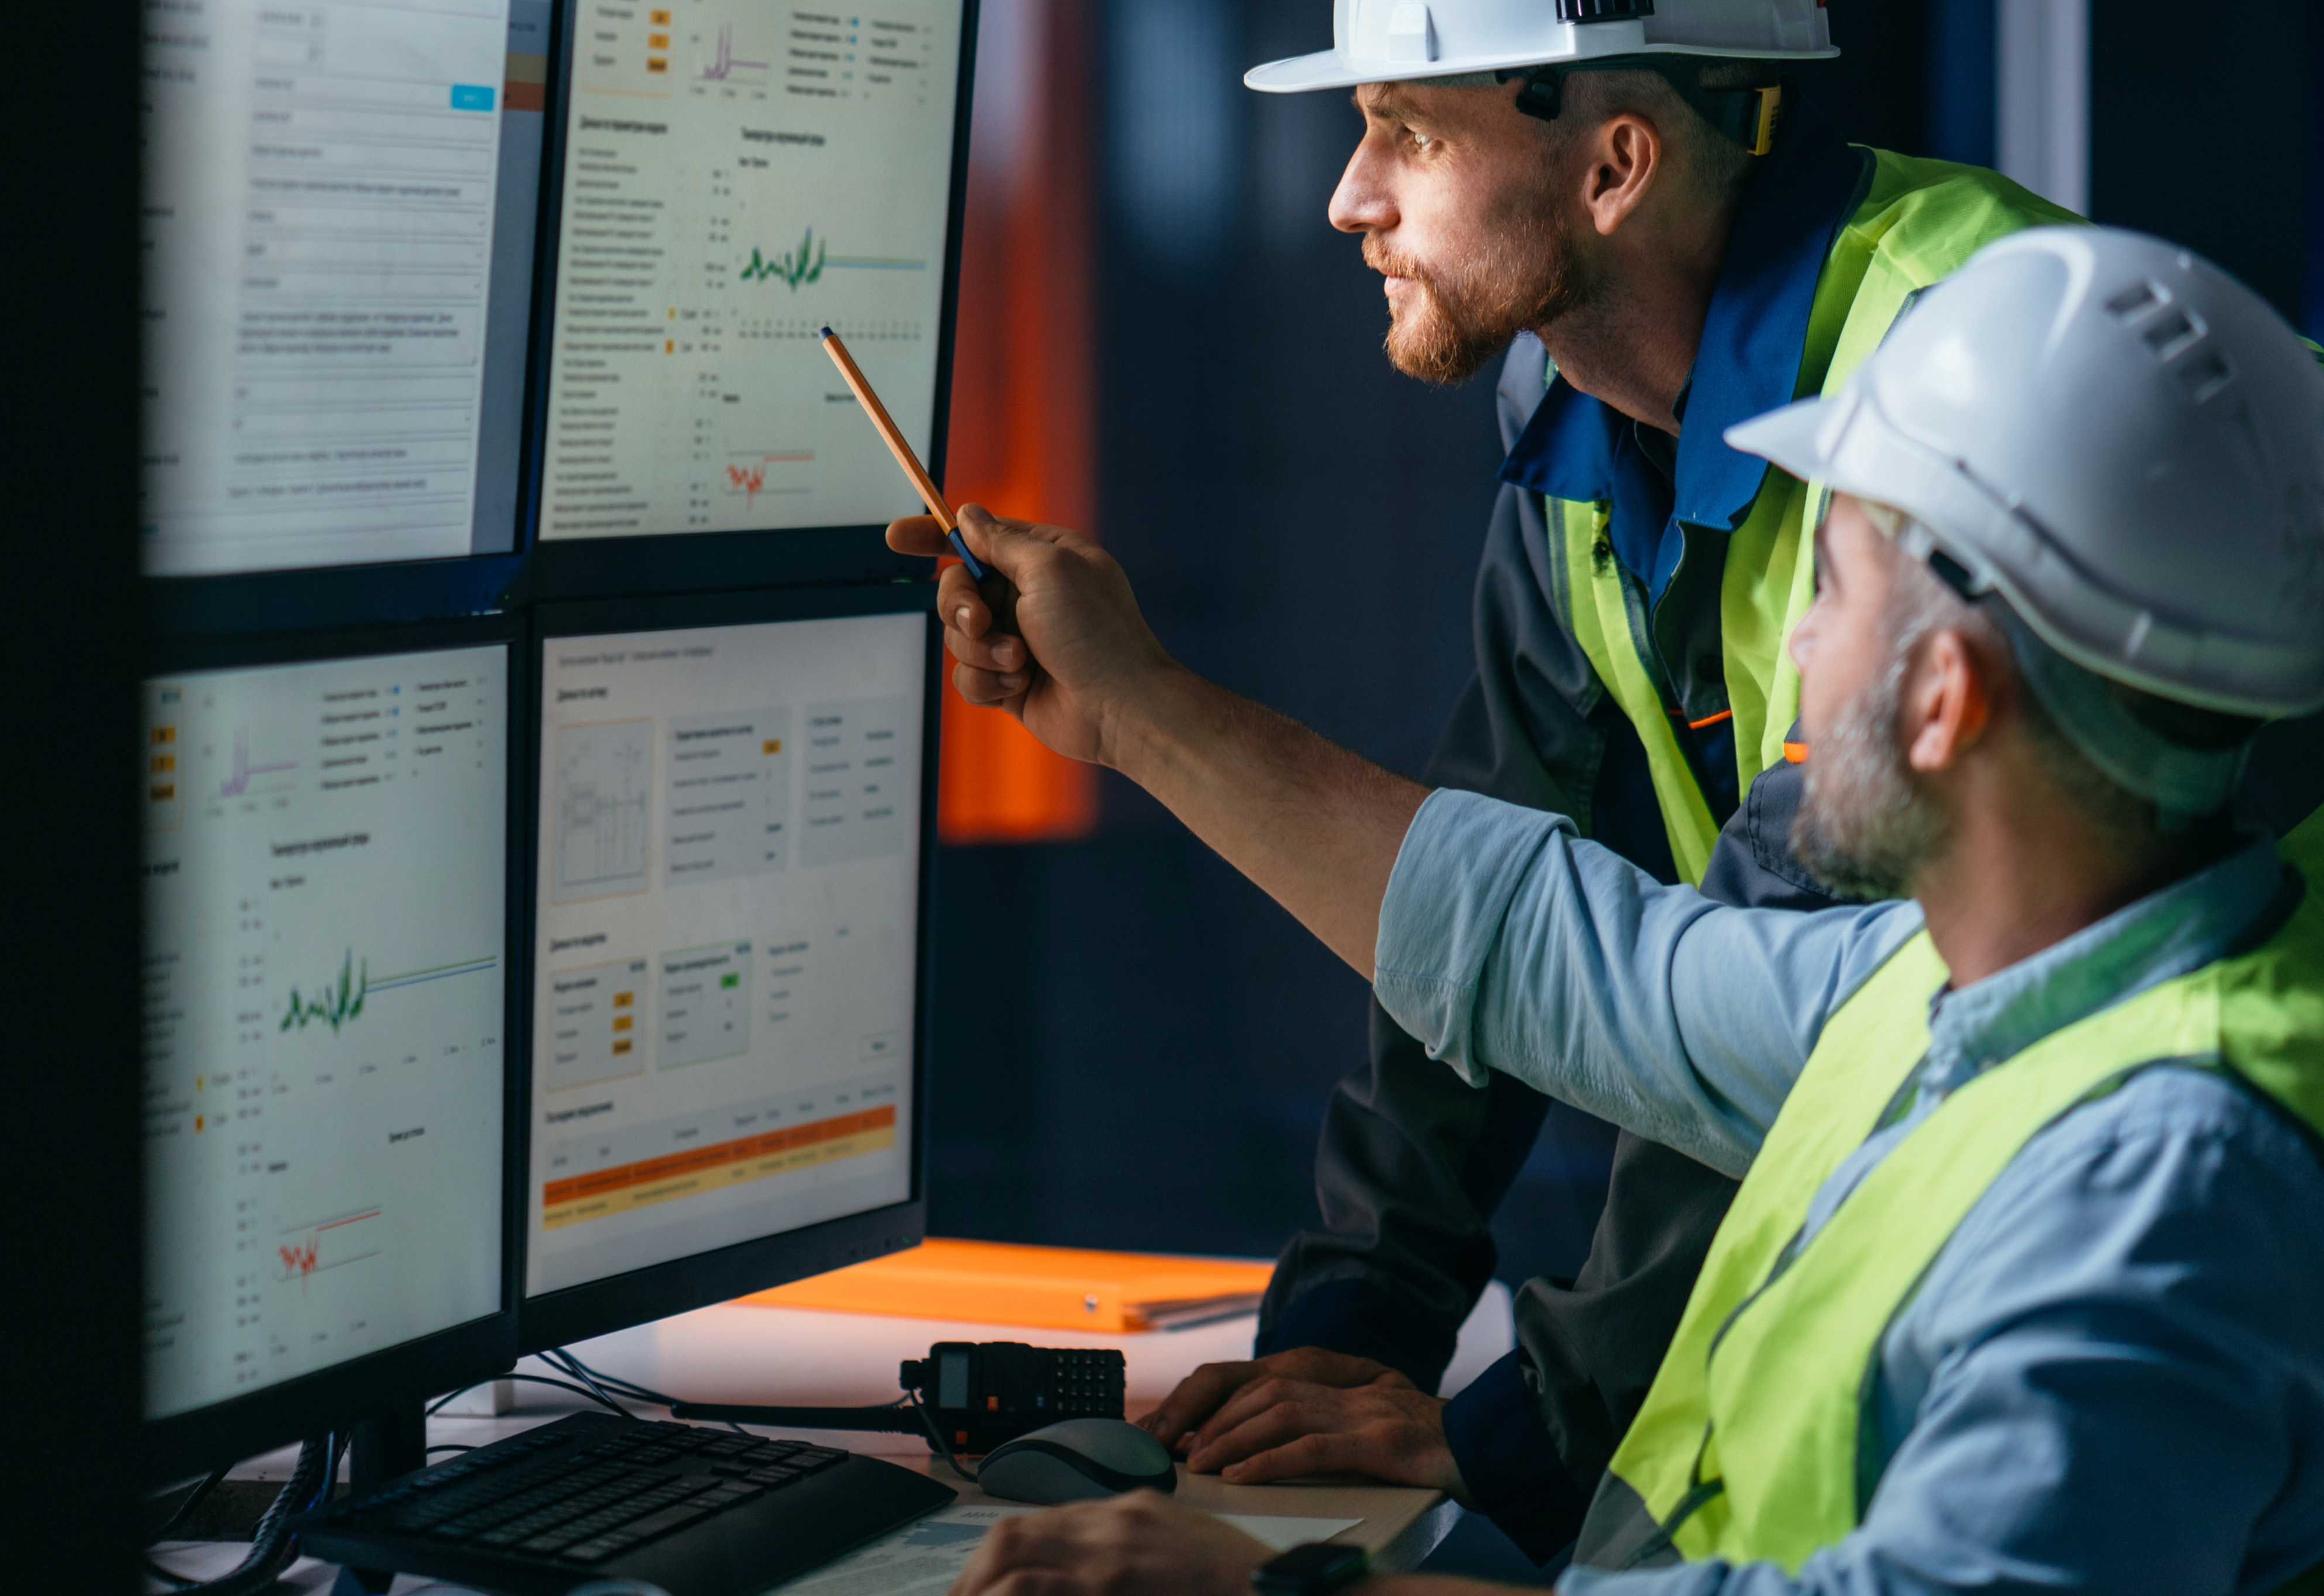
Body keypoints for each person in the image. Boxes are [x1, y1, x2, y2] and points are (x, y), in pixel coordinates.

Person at [924, 223, 2324, 1596]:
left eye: (1826, 587)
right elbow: (1561, 954)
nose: (1790, 643)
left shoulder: (2167, 1182)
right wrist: (1132, 709)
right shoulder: (1956, 983)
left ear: (1943, 698)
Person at [1100, 0, 2080, 1560]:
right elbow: (1484, 889)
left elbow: (1765, 1015)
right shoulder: (1584, 411)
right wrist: (1343, 1339)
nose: (1346, 199)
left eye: (1407, 130)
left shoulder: (1951, 402)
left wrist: (1510, 1431)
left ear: (1614, 160)